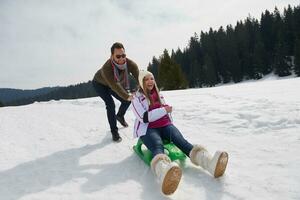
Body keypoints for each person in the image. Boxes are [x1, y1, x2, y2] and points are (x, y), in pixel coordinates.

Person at [131, 70, 229, 195]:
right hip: (147, 129)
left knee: (181, 141)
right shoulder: (136, 99)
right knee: (157, 145)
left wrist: (166, 111)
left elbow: (165, 110)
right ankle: (164, 172)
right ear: (141, 82)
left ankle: (210, 163)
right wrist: (164, 110)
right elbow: (144, 117)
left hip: (165, 125)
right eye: (146, 79)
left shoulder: (159, 95)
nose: (150, 81)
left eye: (152, 78)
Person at [93, 42, 139, 142]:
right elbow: (115, 85)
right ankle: (114, 132)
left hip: (113, 84)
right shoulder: (107, 68)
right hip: (100, 84)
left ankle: (120, 116)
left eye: (123, 55)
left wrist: (139, 90)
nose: (122, 59)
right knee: (110, 104)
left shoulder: (130, 64)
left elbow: (139, 77)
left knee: (127, 101)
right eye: (118, 56)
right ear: (112, 56)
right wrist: (127, 95)